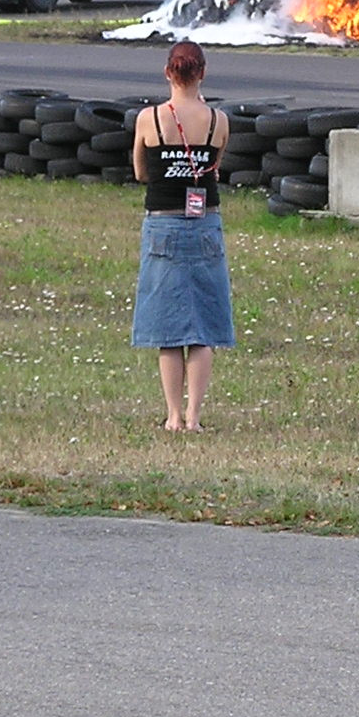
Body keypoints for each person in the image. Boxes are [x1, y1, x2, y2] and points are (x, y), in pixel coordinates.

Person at [129, 38, 233, 432]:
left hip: (163, 224)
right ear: (203, 73)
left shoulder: (149, 118)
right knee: (203, 327)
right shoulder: (218, 121)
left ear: (167, 73)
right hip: (205, 224)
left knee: (168, 330)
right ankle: (194, 417)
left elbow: (141, 172)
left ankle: (172, 415)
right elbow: (215, 165)